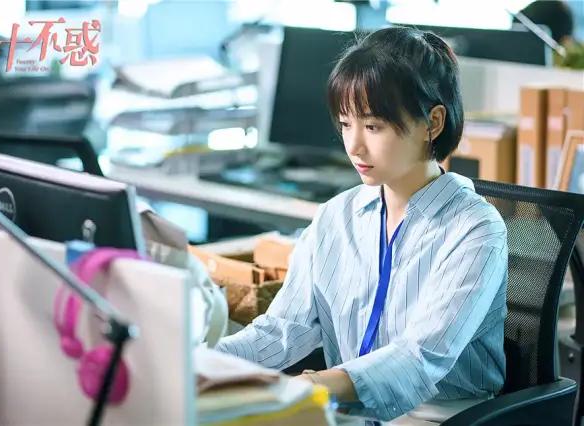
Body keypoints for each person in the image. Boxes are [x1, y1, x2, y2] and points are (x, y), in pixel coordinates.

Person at [215, 26, 508, 421]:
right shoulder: (335, 216)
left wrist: (312, 386)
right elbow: (284, 328)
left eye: (373, 126)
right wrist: (204, 361)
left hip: (441, 418)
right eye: (345, 124)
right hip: (346, 411)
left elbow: (418, 358)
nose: (353, 145)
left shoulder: (475, 229)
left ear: (433, 123)